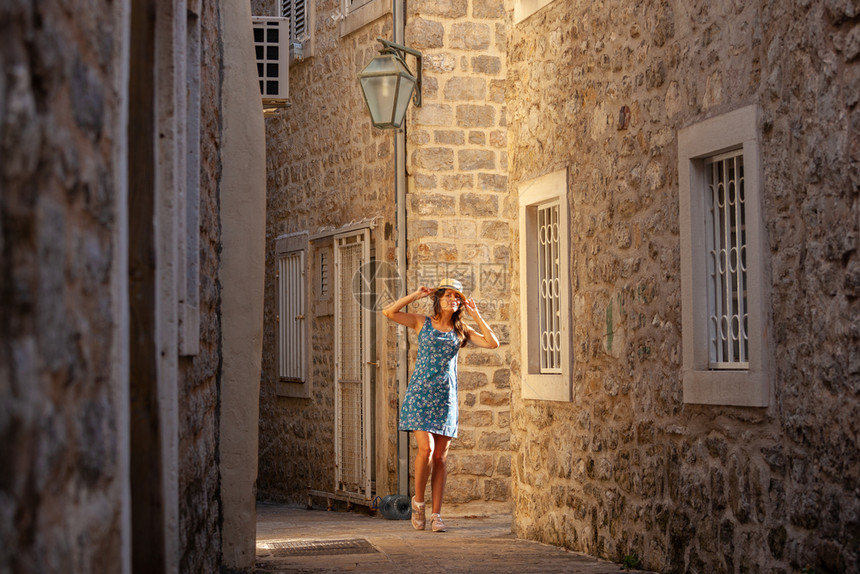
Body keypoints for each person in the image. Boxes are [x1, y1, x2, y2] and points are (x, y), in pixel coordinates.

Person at [382, 278, 500, 532]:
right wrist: (415, 295)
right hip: (420, 395)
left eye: (456, 297)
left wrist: (476, 315)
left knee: (441, 458)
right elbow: (388, 312)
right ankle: (419, 503)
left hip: (445, 398)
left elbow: (492, 343)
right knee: (426, 449)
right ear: (438, 299)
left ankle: (437, 515)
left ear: (459, 303)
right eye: (446, 295)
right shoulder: (422, 322)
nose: (451, 299)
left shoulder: (462, 330)